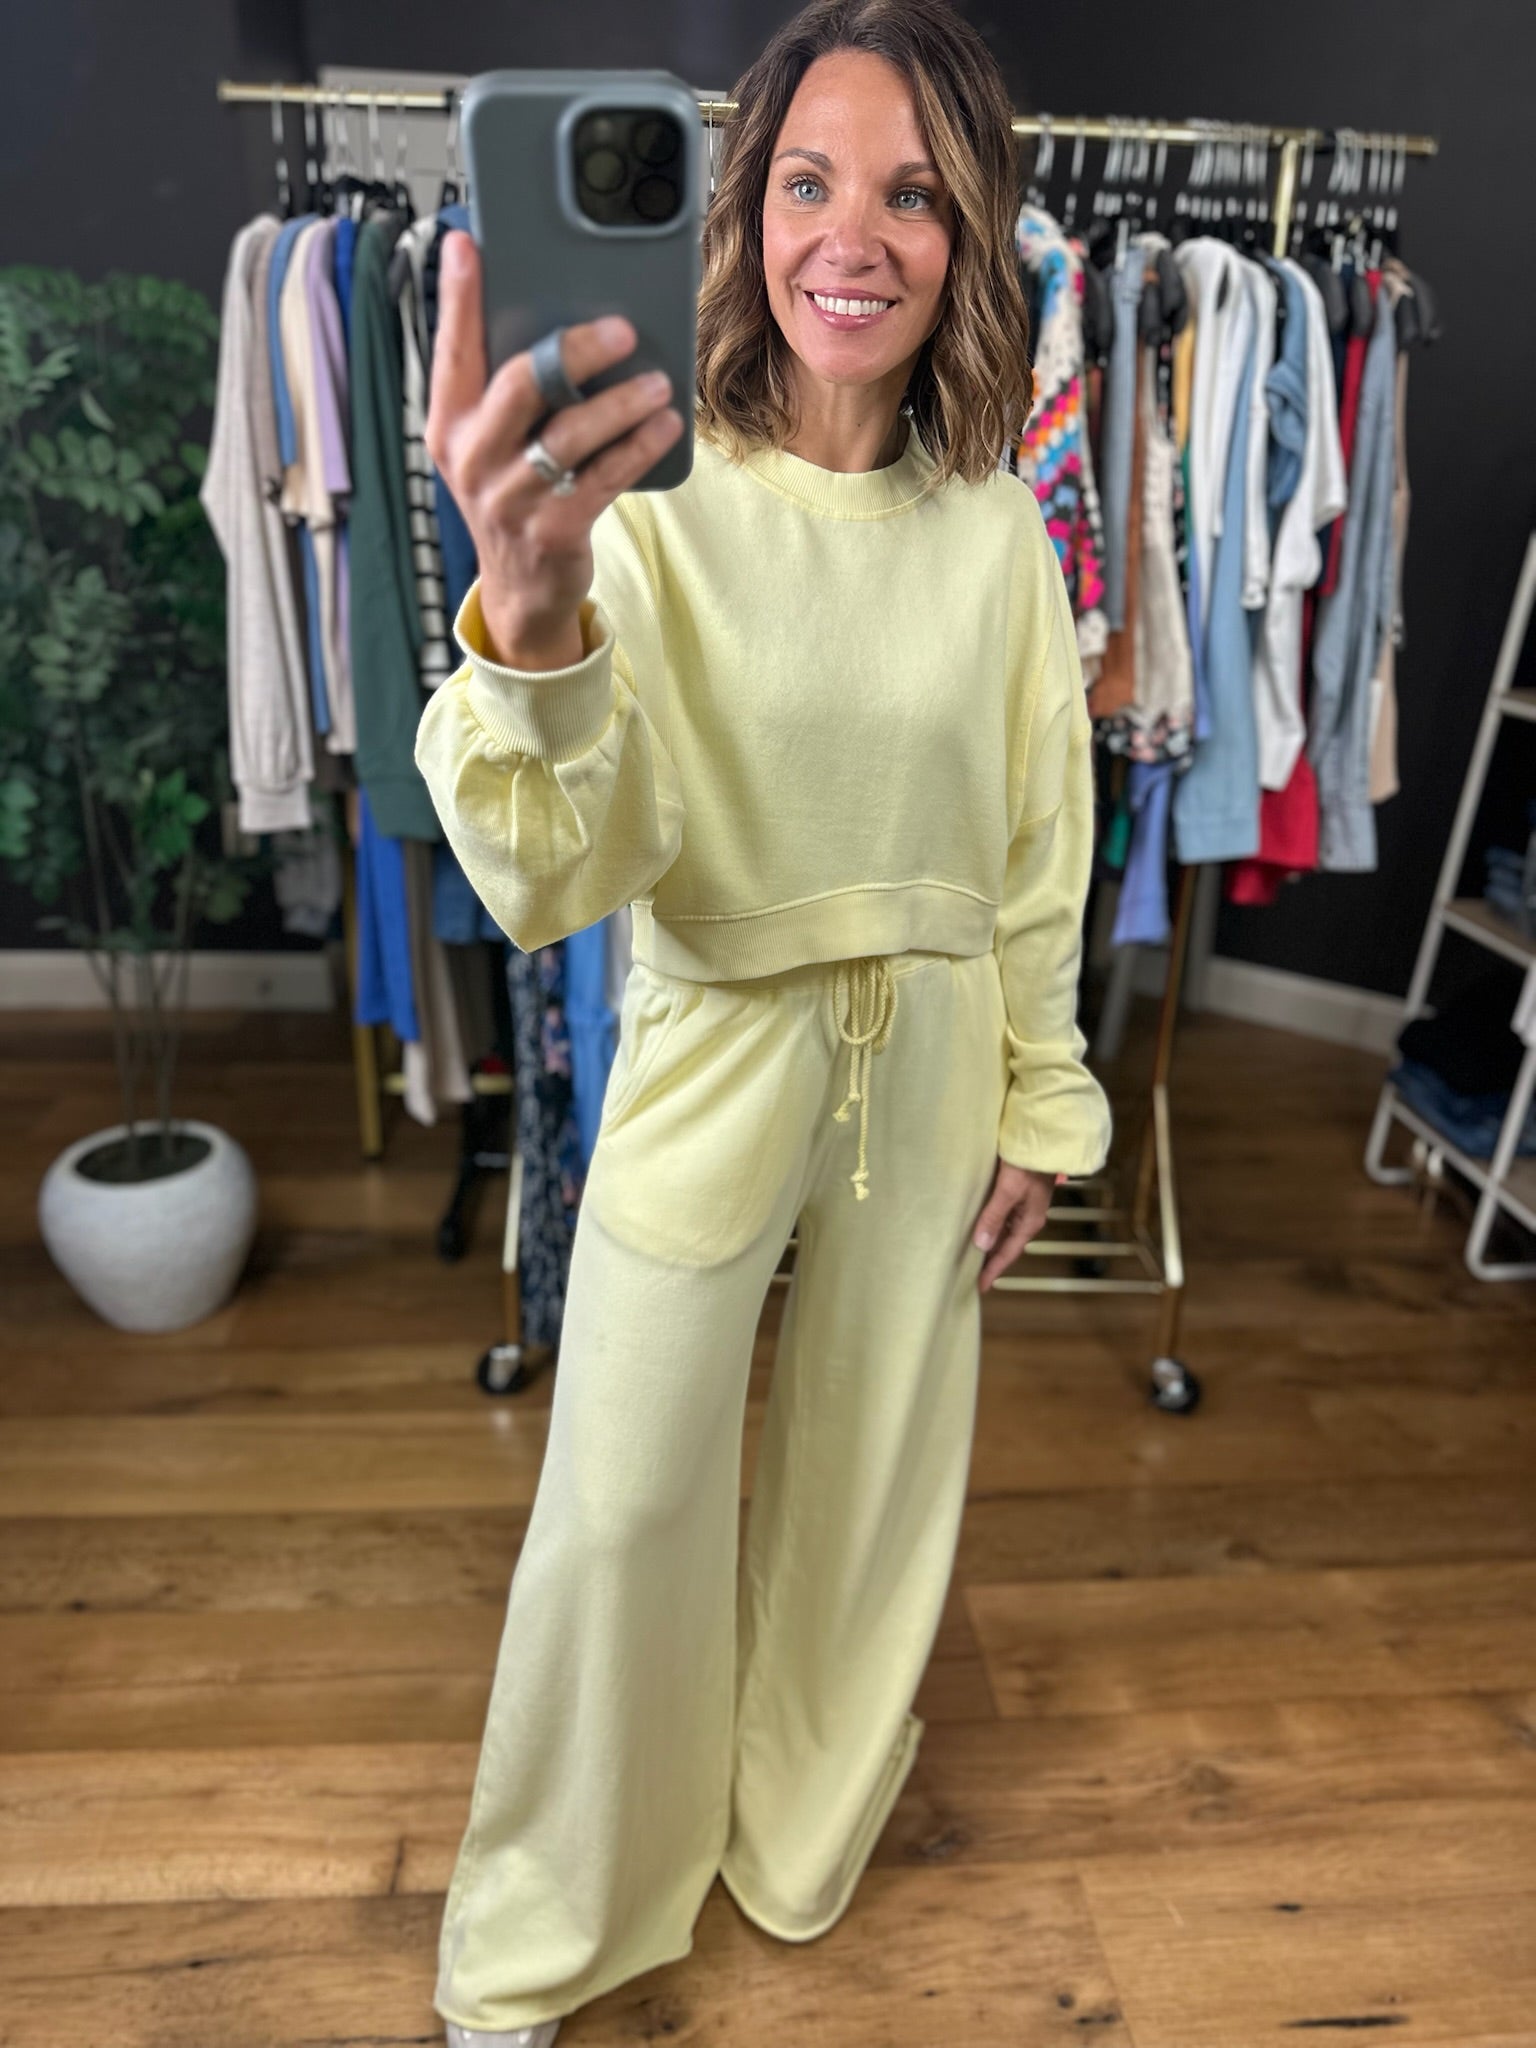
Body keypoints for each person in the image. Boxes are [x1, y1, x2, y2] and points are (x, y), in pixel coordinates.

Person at [414, 1, 1112, 2039]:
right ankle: (548, 1922)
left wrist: (1044, 1095)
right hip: (714, 1033)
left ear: (972, 235)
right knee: (625, 1500)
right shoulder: (644, 498)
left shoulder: (997, 529)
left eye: (914, 193)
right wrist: (531, 619)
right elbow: (562, 865)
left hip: (937, 1049)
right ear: (744, 209)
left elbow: (1041, 838)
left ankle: (795, 1830)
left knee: (871, 1482)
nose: (855, 238)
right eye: (809, 180)